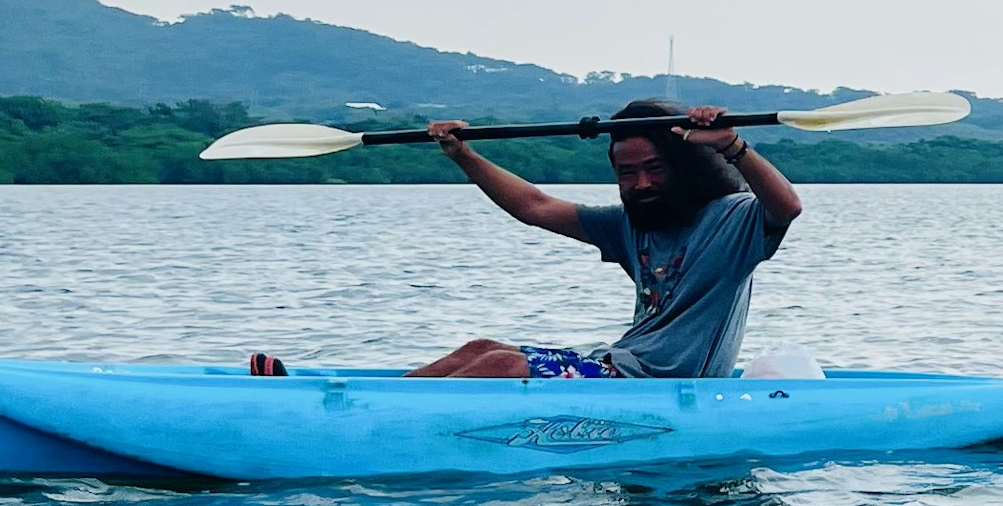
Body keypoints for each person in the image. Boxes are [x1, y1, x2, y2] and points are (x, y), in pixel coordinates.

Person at [303, 98, 804, 381]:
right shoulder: (632, 225)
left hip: (662, 388)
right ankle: (357, 401)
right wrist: (461, 154)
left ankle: (366, 416)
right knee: (479, 349)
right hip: (617, 367)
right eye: (627, 173)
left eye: (654, 169)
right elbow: (534, 207)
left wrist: (733, 145)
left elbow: (787, 207)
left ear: (686, 167)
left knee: (501, 366)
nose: (641, 184)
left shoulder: (733, 220)